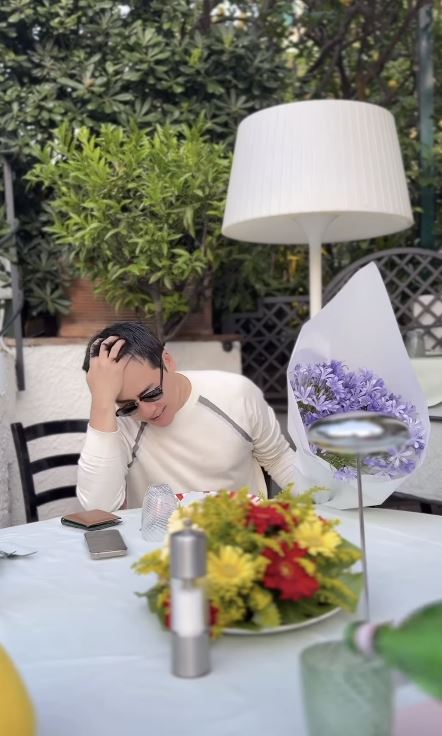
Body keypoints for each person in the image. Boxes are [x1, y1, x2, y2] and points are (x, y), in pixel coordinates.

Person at [77, 321, 306, 512]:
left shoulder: (235, 394)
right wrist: (102, 403)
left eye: (152, 393)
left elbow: (277, 459)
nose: (147, 411)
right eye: (129, 406)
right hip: (160, 543)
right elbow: (99, 507)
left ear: (167, 362)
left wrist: (321, 505)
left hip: (240, 535)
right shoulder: (117, 423)